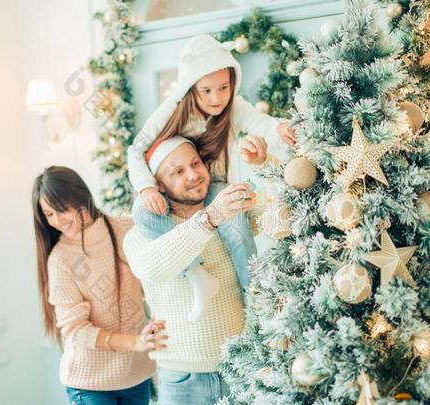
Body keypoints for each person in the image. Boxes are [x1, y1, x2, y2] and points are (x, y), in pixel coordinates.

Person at [129, 34, 289, 321]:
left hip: (215, 185)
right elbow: (136, 150)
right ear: (191, 88)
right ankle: (196, 273)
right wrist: (146, 189)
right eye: (206, 91)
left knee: (237, 227)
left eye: (224, 88)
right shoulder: (173, 109)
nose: (217, 99)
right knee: (143, 212)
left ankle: (258, 298)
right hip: (171, 189)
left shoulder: (233, 107)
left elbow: (259, 122)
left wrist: (278, 131)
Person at [124, 137, 262, 404]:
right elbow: (151, 268)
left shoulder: (229, 217)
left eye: (195, 163)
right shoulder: (140, 233)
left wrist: (261, 163)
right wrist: (208, 219)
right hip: (183, 379)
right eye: (177, 171)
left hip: (242, 367)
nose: (193, 175)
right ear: (158, 185)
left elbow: (278, 211)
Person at [32, 166, 168, 405]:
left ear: (80, 197)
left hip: (136, 376)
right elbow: (76, 330)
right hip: (90, 383)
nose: (57, 221)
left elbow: (156, 274)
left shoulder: (125, 229)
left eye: (61, 210)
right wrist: (134, 343)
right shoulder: (60, 260)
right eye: (48, 215)